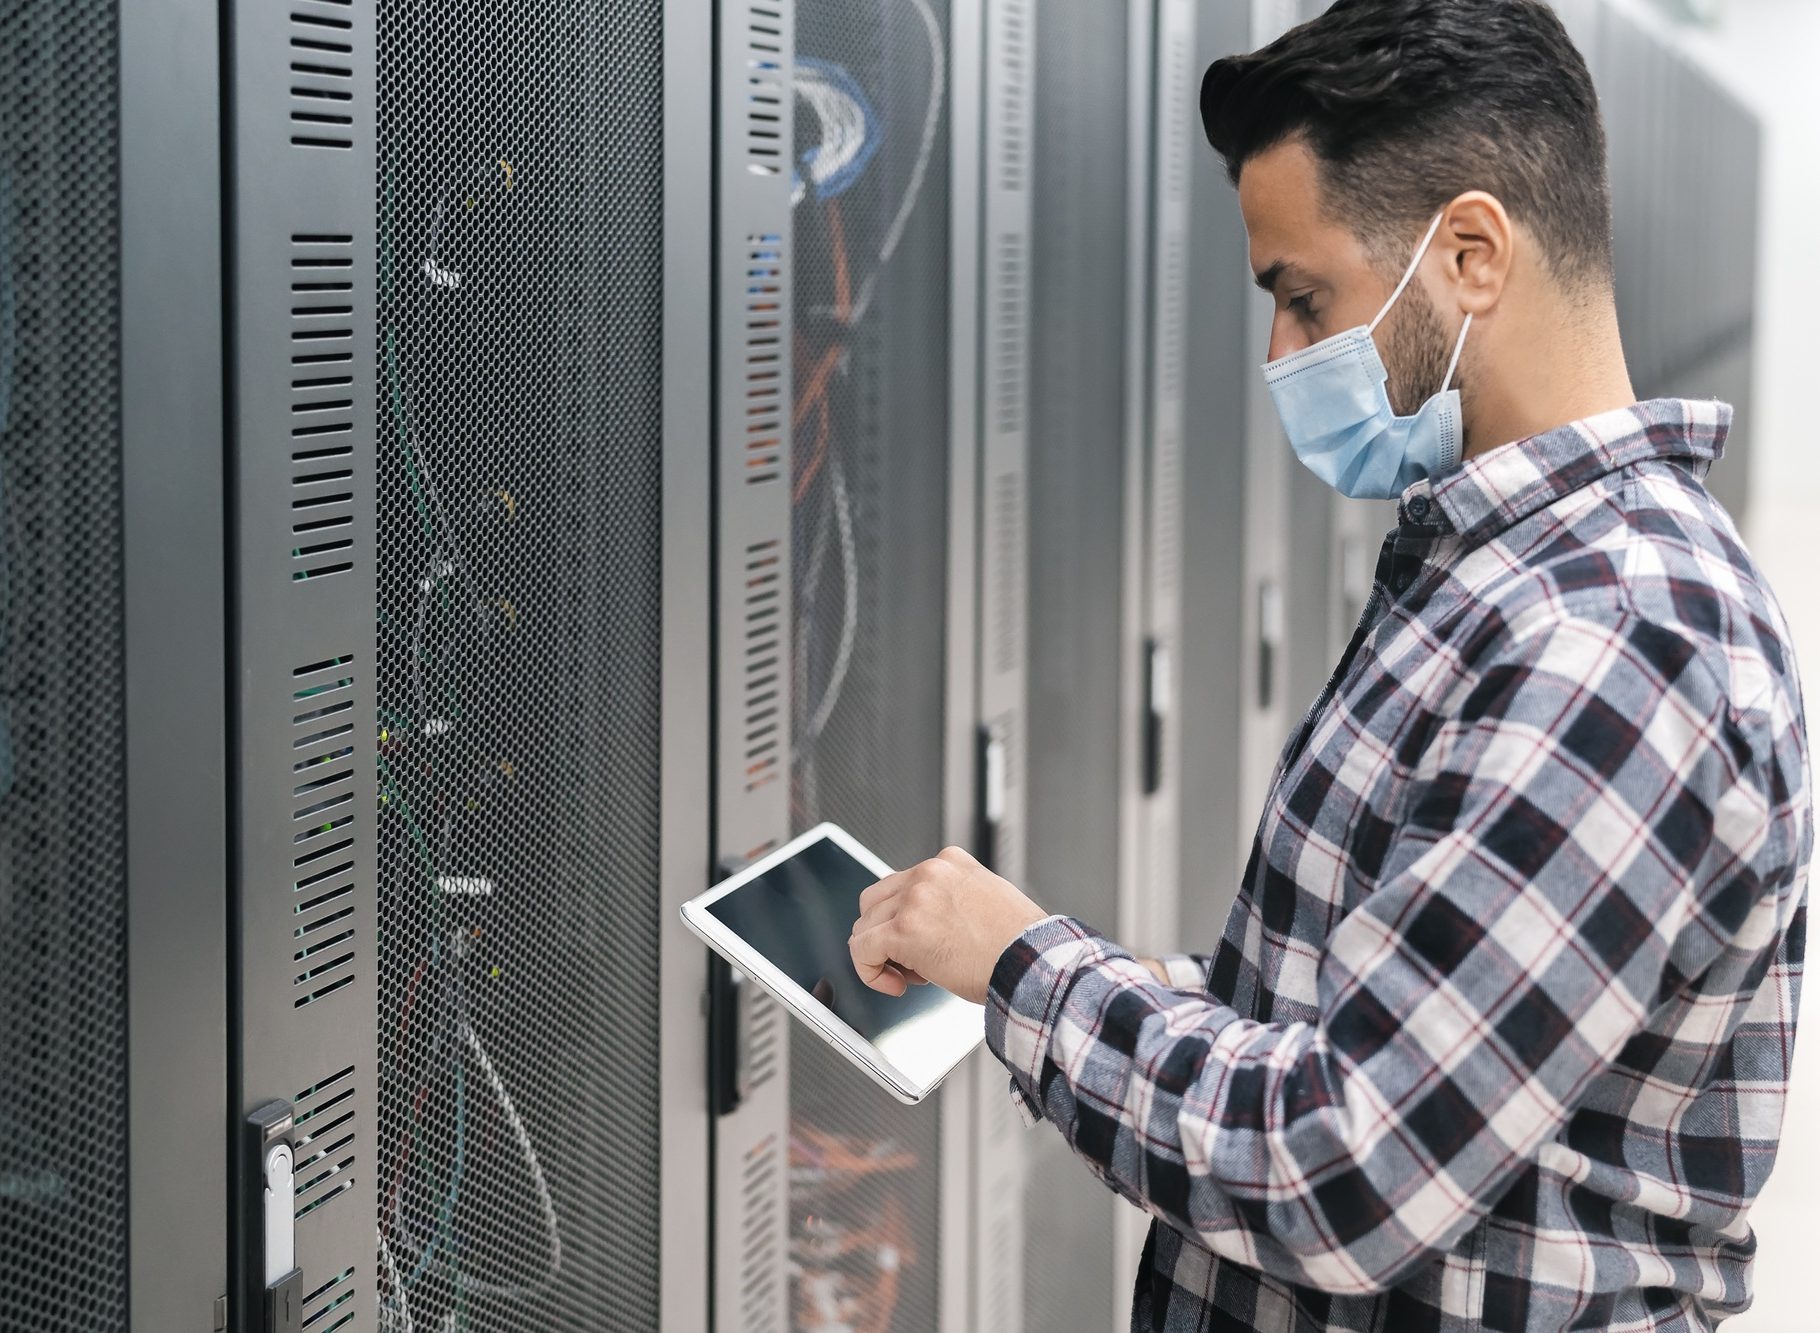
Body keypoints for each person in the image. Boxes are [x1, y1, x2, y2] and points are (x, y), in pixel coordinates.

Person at [846, 1, 1811, 1328]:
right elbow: (1346, 1002)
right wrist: (1019, 961)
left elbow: (1343, 1166)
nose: (1281, 354)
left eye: (1307, 298)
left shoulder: (1613, 641)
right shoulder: (1502, 572)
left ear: (1470, 251)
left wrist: (1028, 968)